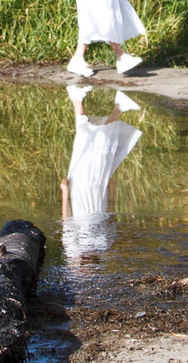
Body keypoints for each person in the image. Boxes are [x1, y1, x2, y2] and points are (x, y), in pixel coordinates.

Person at [59, 85, 143, 257]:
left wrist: (64, 194)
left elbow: (67, 221)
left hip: (80, 192)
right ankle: (85, 100)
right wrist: (112, 191)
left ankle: (83, 100)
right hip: (99, 194)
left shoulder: (73, 251)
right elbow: (110, 216)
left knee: (88, 144)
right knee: (101, 151)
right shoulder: (104, 248)